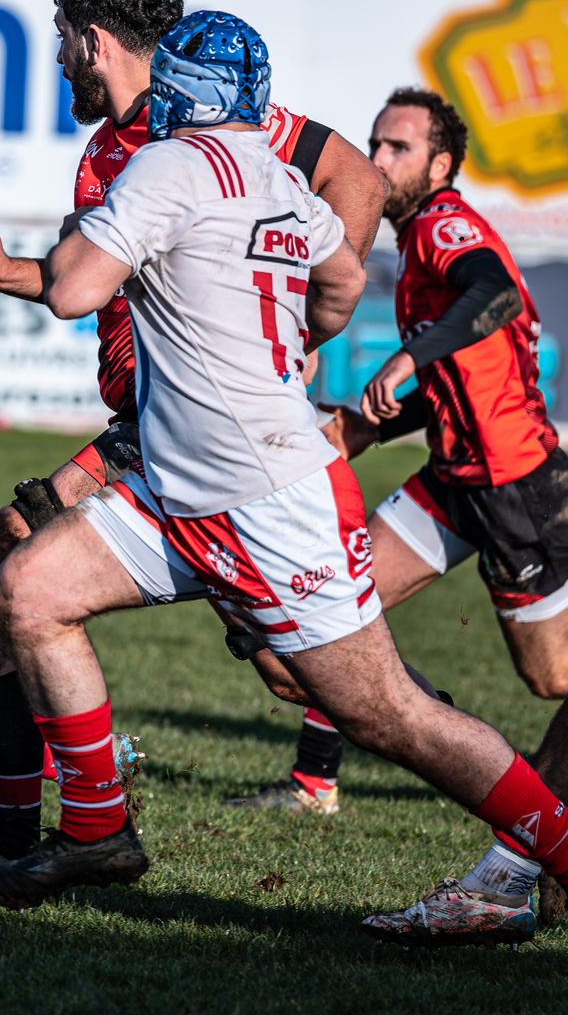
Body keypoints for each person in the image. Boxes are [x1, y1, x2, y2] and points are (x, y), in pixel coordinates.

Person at [0, 10, 568, 915]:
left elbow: (77, 290)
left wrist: (70, 252)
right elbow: (341, 284)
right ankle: (96, 831)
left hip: (264, 500)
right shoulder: (278, 176)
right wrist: (287, 338)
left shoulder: (164, 165)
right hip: (184, 485)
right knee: (27, 589)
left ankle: (558, 846)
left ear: (174, 94)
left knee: (388, 715)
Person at [0, 0, 386, 900]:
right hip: (145, 429)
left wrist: (294, 331)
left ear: (92, 39)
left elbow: (355, 178)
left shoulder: (199, 129)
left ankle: (25, 826)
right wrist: (3, 269)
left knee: (4, 576)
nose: (56, 60)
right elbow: (82, 280)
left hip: (191, 436)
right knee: (4, 577)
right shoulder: (115, 143)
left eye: (62, 39)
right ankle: (24, 824)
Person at [217, 87, 568, 945]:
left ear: (441, 165)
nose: (378, 161)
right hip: (451, 479)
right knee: (320, 620)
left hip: (516, 489)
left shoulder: (446, 227)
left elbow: (495, 296)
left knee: (554, 681)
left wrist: (407, 358)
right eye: (374, 144)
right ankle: (386, 745)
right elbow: (457, 378)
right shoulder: (413, 244)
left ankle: (519, 842)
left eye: (399, 148)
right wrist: (370, 423)